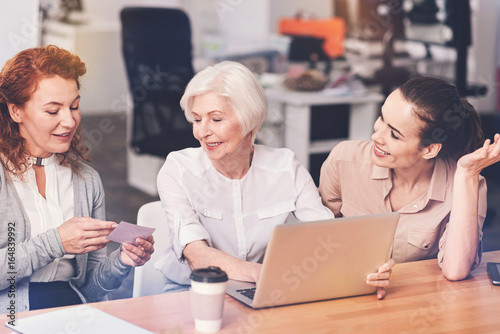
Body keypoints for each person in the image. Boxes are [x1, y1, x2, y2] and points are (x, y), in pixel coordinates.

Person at [156, 61, 392, 299]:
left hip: (259, 289)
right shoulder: (178, 170)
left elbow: (325, 235)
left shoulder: (285, 167)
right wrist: (265, 275)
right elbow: (197, 256)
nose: (202, 132)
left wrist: (366, 274)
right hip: (191, 288)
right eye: (197, 120)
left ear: (249, 119)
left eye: (216, 119)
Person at [0, 45, 154, 313]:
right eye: (53, 111)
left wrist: (122, 260)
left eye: (74, 106)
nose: (69, 121)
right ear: (16, 111)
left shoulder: (86, 181)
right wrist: (56, 242)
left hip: (73, 313)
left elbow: (90, 288)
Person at [319, 76, 500, 281]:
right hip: (344, 289)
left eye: (394, 135)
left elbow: (456, 270)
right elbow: (313, 242)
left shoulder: (465, 184)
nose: (376, 137)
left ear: (429, 149)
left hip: (416, 303)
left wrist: (467, 175)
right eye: (382, 119)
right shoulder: (344, 160)